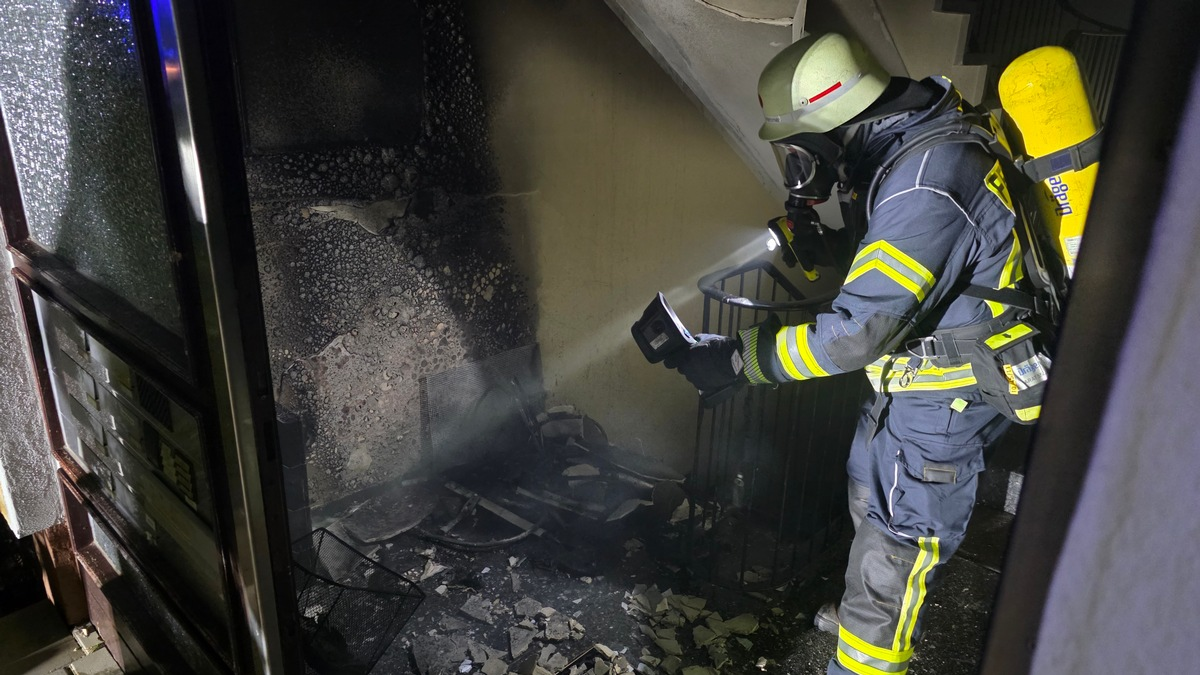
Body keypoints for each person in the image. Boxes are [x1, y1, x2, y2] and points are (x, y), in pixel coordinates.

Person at [665, 32, 1022, 674]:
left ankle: (865, 655)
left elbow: (857, 334)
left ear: (840, 123)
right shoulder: (901, 150)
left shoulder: (926, 180)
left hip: (941, 401)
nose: (798, 169)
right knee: (867, 496)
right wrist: (827, 247)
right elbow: (911, 273)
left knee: (897, 551)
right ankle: (864, 606)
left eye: (799, 151)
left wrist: (739, 359)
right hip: (903, 387)